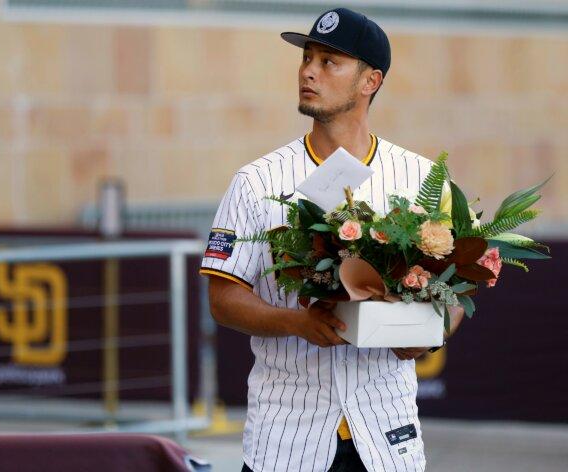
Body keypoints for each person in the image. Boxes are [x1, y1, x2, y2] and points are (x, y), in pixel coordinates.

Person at [199, 7, 464, 472]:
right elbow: (222, 298)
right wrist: (297, 323)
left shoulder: (421, 177)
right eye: (307, 58)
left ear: (370, 81)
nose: (308, 71)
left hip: (387, 437)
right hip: (286, 438)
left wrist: (429, 337)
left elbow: (456, 293)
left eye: (329, 61)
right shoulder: (256, 181)